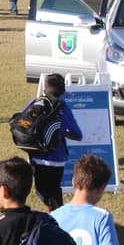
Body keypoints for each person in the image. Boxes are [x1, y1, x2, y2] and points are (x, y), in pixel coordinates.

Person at [27, 73, 83, 211]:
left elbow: (22, 122)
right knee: (54, 191)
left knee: (43, 192)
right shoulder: (63, 109)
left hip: (38, 157)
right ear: (63, 92)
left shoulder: (35, 103)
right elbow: (78, 135)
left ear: (44, 90)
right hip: (58, 159)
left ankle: (57, 214)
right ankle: (58, 214)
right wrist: (62, 131)